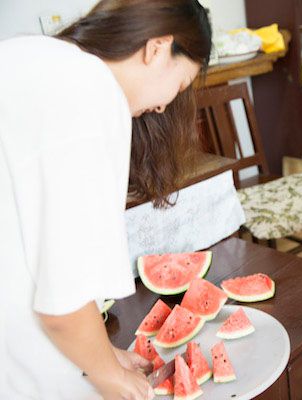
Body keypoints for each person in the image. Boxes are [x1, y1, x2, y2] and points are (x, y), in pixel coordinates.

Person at [0, 0, 211, 398]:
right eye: (179, 85)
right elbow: (64, 303)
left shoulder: (32, 55)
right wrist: (110, 376)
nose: (165, 104)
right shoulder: (90, 97)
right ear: (157, 48)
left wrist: (105, 356)